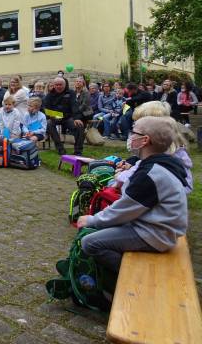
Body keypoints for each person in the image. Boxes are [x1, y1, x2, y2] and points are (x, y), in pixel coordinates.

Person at [78, 116, 188, 275]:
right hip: (156, 227)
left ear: (144, 140)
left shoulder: (150, 174)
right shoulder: (160, 163)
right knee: (101, 231)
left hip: (155, 234)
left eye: (133, 131)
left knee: (89, 242)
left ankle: (134, 276)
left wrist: (92, 219)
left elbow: (124, 210)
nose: (130, 136)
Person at [43, 77, 85, 155]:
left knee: (79, 125)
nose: (58, 86)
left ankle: (78, 151)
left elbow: (74, 106)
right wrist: (54, 116)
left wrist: (76, 118)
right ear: (54, 85)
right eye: (57, 85)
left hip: (67, 118)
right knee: (49, 124)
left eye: (60, 85)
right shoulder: (49, 95)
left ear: (65, 85)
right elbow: (46, 110)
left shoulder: (71, 93)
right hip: (54, 117)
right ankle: (60, 149)